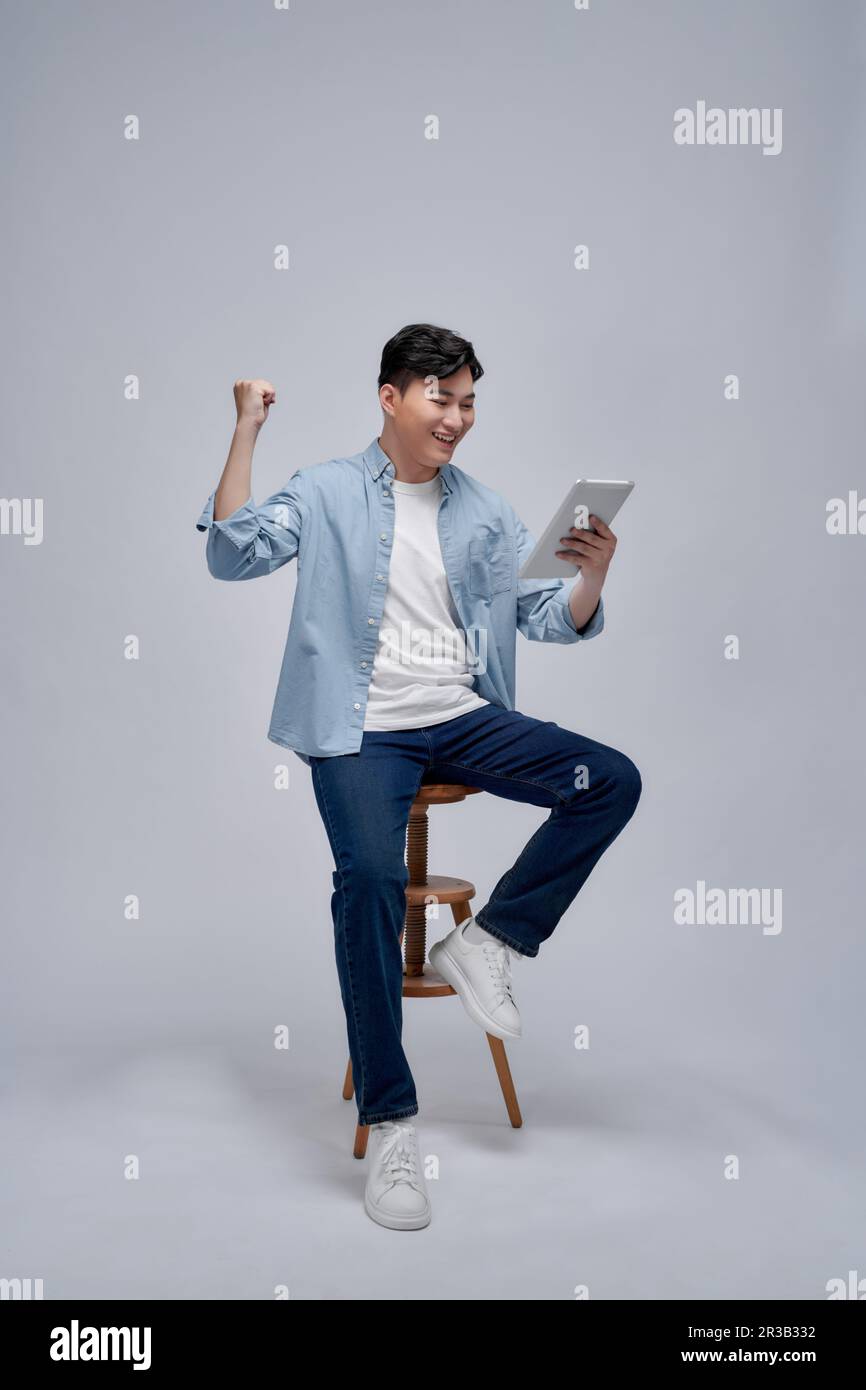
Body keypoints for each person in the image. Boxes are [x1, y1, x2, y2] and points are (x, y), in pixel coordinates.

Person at [195, 323, 642, 1231]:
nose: (458, 417)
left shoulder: (486, 508)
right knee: (367, 881)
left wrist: (590, 579)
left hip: (461, 714)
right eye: (441, 398)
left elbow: (548, 616)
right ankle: (392, 1124)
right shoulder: (325, 490)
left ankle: (489, 943)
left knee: (611, 779)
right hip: (361, 730)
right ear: (391, 398)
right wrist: (246, 428)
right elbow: (231, 550)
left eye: (469, 400)